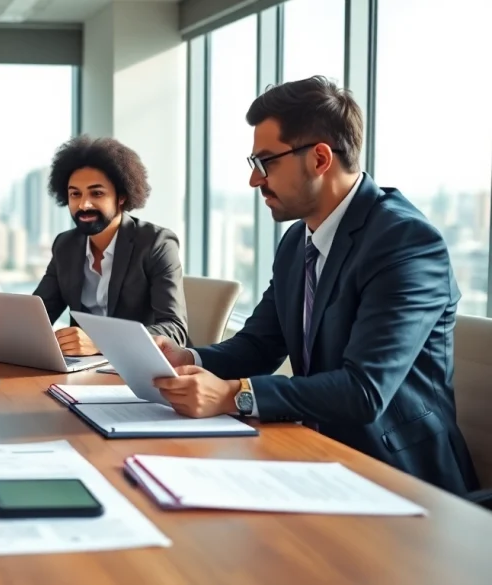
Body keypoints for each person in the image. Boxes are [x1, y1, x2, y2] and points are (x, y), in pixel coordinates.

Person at [151, 76, 478, 496]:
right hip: (313, 456)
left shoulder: (407, 243)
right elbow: (259, 346)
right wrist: (188, 356)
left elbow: (363, 391)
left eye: (265, 162)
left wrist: (235, 395)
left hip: (399, 481)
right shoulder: (297, 241)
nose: (255, 181)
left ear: (320, 158)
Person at [33, 136, 188, 356]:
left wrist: (100, 343)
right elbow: (37, 316)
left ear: (122, 196)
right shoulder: (65, 245)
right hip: (82, 370)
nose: (84, 204)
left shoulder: (156, 243)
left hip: (142, 369)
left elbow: (175, 331)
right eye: (75, 194)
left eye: (97, 193)